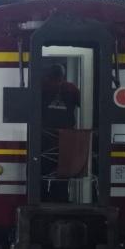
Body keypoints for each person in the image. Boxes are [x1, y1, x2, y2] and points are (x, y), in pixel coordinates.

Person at [40, 63, 80, 203]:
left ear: (48, 74)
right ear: (63, 75)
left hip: (43, 137)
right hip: (66, 137)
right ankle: (61, 198)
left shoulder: (41, 87)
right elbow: (85, 104)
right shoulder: (71, 88)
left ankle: (42, 198)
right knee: (63, 171)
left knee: (42, 170)